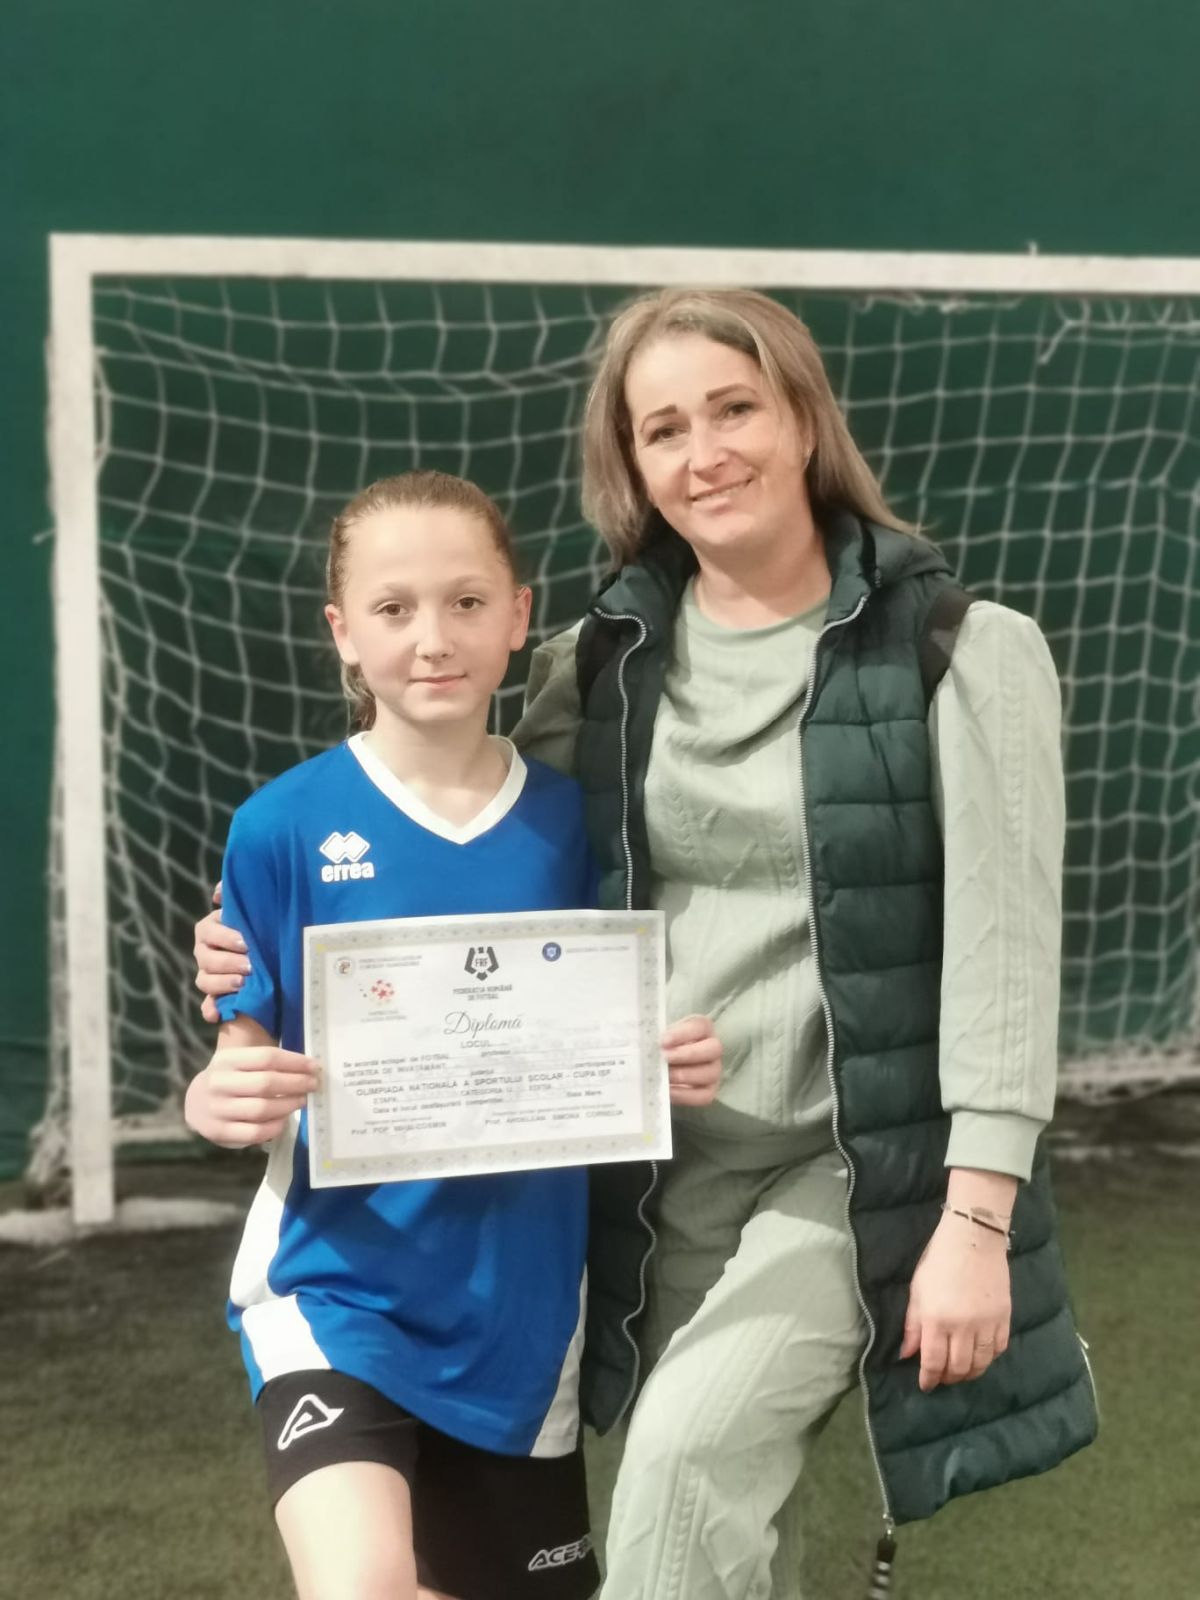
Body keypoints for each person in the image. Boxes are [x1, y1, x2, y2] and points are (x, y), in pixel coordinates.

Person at [196, 293, 1098, 1600]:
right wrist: (250, 940)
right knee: (737, 1529)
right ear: (632, 463)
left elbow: (1009, 961)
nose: (703, 452)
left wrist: (975, 1218)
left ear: (803, 421)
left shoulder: (967, 650)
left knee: (679, 1477)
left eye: (734, 409)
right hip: (657, 1176)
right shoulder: (603, 661)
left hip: (848, 1171)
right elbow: (458, 851)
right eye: (663, 427)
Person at [184, 468, 721, 1600]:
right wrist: (217, 1096)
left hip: (523, 1323)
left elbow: (611, 1029)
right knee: (363, 1584)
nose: (432, 638)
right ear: (343, 633)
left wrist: (663, 1061)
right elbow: (242, 1051)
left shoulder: (579, 823)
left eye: (466, 602)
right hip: (337, 1292)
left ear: (519, 615)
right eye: (393, 608)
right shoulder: (281, 827)